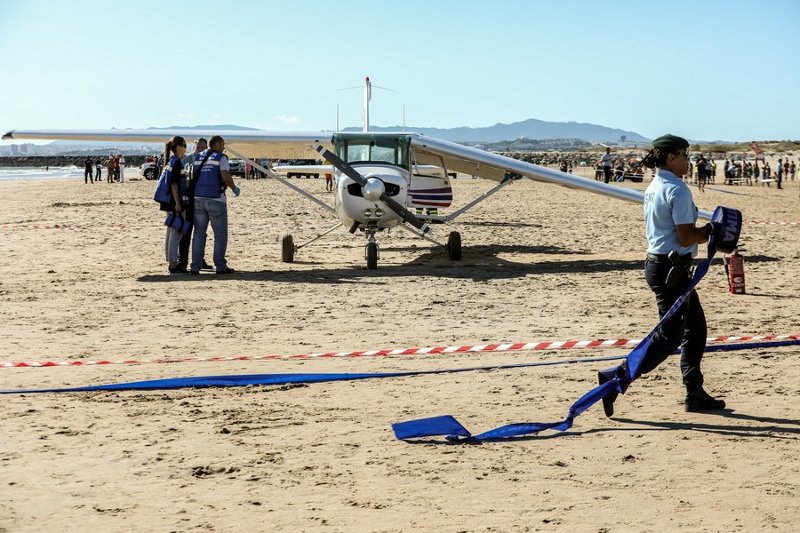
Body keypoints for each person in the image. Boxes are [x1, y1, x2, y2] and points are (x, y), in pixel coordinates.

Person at [599, 134, 725, 417]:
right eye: (685, 155)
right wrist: (711, 231)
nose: (688, 161)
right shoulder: (677, 189)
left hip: (662, 266)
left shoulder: (656, 185)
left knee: (695, 329)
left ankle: (694, 391)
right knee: (669, 337)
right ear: (671, 157)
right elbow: (685, 237)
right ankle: (615, 379)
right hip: (671, 270)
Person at [190, 135, 240, 275]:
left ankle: (195, 266)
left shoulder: (198, 157)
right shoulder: (220, 158)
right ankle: (220, 265)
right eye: (222, 145)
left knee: (199, 234)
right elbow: (225, 175)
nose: (224, 148)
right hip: (216, 199)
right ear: (217, 144)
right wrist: (234, 188)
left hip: (198, 199)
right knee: (220, 234)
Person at [178, 138, 212, 273]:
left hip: (201, 200)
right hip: (188, 201)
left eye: (203, 148)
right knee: (186, 232)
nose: (201, 150)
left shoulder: (209, 161)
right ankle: (182, 262)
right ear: (194, 148)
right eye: (199, 148)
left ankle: (199, 260)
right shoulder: (187, 160)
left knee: (201, 232)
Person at [158, 136, 188, 274]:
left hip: (168, 202)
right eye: (184, 145)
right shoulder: (176, 162)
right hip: (173, 202)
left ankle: (171, 261)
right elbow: (174, 184)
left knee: (171, 232)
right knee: (176, 232)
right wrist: (178, 203)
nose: (185, 148)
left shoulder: (171, 161)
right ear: (178, 147)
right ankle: (173, 264)